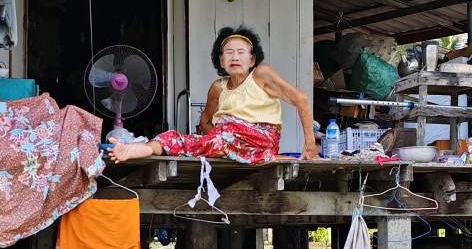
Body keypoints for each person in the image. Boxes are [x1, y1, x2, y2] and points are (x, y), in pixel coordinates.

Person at [108, 27, 317, 164]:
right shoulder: (218, 87)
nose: (235, 57)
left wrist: (309, 144)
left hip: (259, 140)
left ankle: (259, 154)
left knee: (219, 139)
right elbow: (205, 122)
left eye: (241, 52)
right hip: (224, 141)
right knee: (179, 137)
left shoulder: (261, 75)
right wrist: (213, 138)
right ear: (221, 61)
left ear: (252, 60)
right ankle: (141, 148)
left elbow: (301, 99)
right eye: (229, 52)